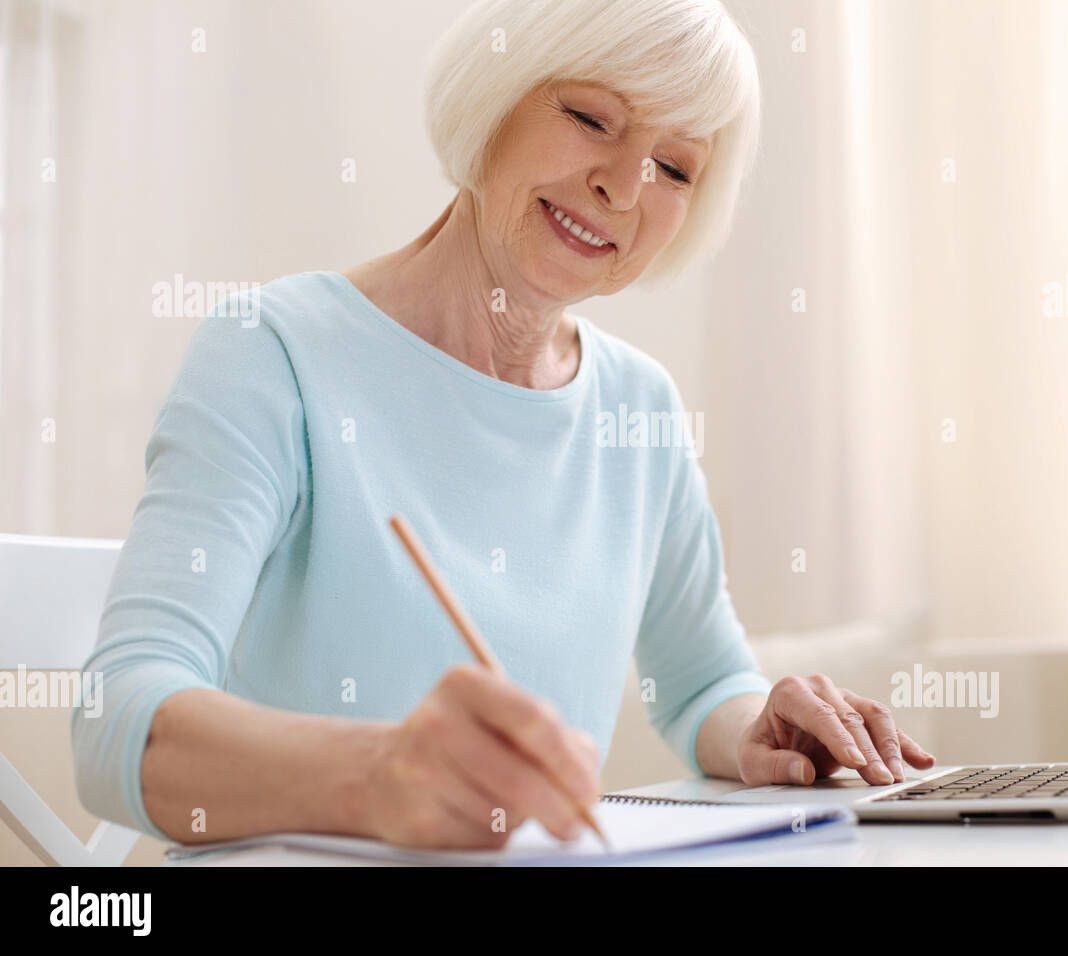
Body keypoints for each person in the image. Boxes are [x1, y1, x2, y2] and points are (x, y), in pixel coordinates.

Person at [72, 0, 933, 850]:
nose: (624, 189)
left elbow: (705, 681)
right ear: (495, 95)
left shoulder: (640, 408)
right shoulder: (275, 354)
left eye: (675, 168)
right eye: (593, 118)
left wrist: (759, 731)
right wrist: (382, 776)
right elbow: (117, 722)